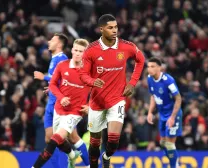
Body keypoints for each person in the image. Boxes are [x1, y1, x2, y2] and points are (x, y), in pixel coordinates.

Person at [79, 14, 145, 168]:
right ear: (101, 29)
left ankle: (107, 156)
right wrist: (92, 81)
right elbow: (82, 74)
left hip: (117, 99)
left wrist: (133, 82)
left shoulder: (126, 46)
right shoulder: (91, 50)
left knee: (114, 139)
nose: (114, 30)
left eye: (115, 27)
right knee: (95, 142)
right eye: (110, 28)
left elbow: (140, 60)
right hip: (97, 101)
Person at [32, 39, 91, 168]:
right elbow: (52, 84)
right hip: (59, 109)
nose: (77, 53)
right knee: (61, 140)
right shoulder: (62, 65)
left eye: (81, 51)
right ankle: (72, 155)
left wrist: (90, 105)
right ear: (71, 50)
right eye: (75, 50)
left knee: (55, 139)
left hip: (75, 112)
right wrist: (61, 97)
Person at [146, 57, 182, 168]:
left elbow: (178, 98)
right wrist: (150, 112)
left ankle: (174, 166)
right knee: (163, 143)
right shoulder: (149, 79)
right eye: (148, 66)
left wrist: (172, 117)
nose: (149, 69)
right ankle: (174, 163)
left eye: (152, 66)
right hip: (162, 115)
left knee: (170, 144)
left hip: (172, 114)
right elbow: (153, 96)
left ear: (159, 68)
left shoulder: (168, 80)